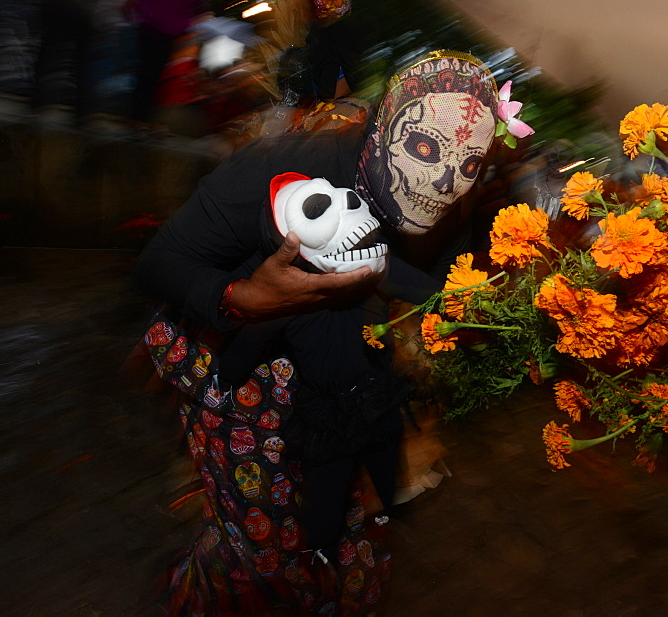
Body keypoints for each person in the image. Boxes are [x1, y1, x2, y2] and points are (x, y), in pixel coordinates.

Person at [134, 49, 498, 614]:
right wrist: (243, 301)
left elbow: (427, 299)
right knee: (266, 541)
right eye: (426, 148)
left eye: (470, 164)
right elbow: (158, 264)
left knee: (348, 528)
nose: (445, 179)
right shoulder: (275, 169)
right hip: (233, 362)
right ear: (381, 130)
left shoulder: (455, 207)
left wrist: (463, 323)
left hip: (343, 381)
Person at [124, 0, 209, 132]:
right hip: (149, 26)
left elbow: (198, 6)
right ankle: (137, 119)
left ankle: (149, 120)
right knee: (146, 73)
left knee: (162, 78)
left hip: (173, 32)